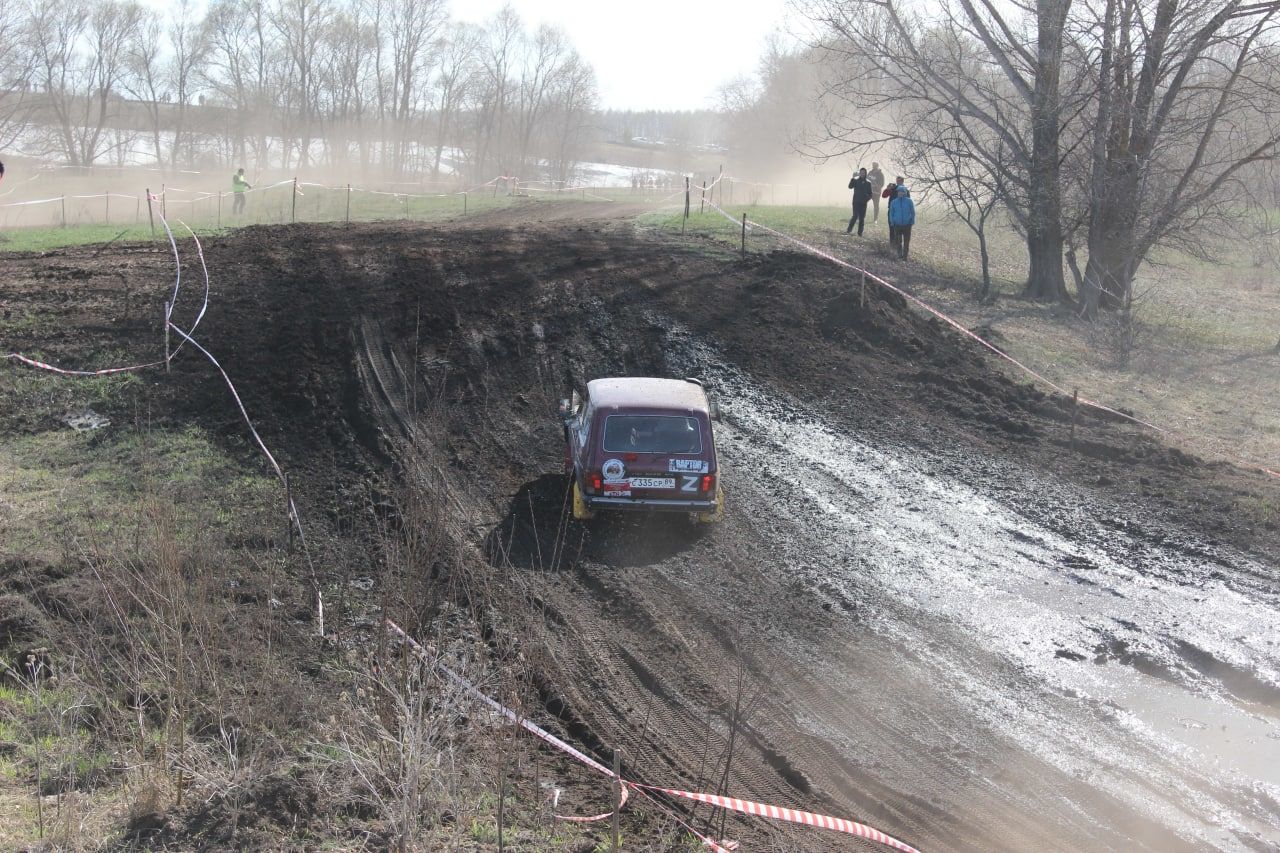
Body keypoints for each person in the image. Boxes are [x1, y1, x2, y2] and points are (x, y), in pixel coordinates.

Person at [888, 184, 915, 260]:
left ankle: (905, 257)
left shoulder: (909, 201)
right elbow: (891, 213)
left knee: (906, 242)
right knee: (898, 241)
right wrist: (892, 221)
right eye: (899, 192)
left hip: (907, 225)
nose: (900, 193)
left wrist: (912, 221)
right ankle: (899, 255)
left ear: (905, 193)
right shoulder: (894, 202)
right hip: (897, 225)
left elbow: (912, 212)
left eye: (902, 192)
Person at [846, 167, 874, 236]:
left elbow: (870, 194)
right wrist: (852, 179)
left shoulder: (868, 183)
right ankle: (849, 230)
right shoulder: (855, 181)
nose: (862, 174)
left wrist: (867, 199)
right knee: (855, 216)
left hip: (863, 203)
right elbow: (850, 187)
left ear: (865, 174)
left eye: (863, 173)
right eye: (861, 173)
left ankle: (860, 233)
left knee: (862, 218)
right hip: (856, 202)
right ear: (859, 173)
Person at [882, 175, 902, 243]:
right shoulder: (893, 188)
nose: (898, 182)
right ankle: (892, 245)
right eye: (897, 180)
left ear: (903, 181)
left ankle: (898, 244)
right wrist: (887, 189)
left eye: (900, 181)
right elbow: (884, 196)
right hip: (891, 211)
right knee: (891, 228)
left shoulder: (905, 190)